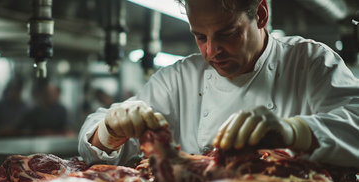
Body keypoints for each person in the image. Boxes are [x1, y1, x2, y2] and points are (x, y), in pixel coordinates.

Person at [78, 0, 359, 167]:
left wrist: (293, 131)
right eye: (200, 36)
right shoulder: (179, 78)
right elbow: (98, 146)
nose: (212, 51)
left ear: (261, 14)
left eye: (228, 33)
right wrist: (110, 130)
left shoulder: (308, 62)